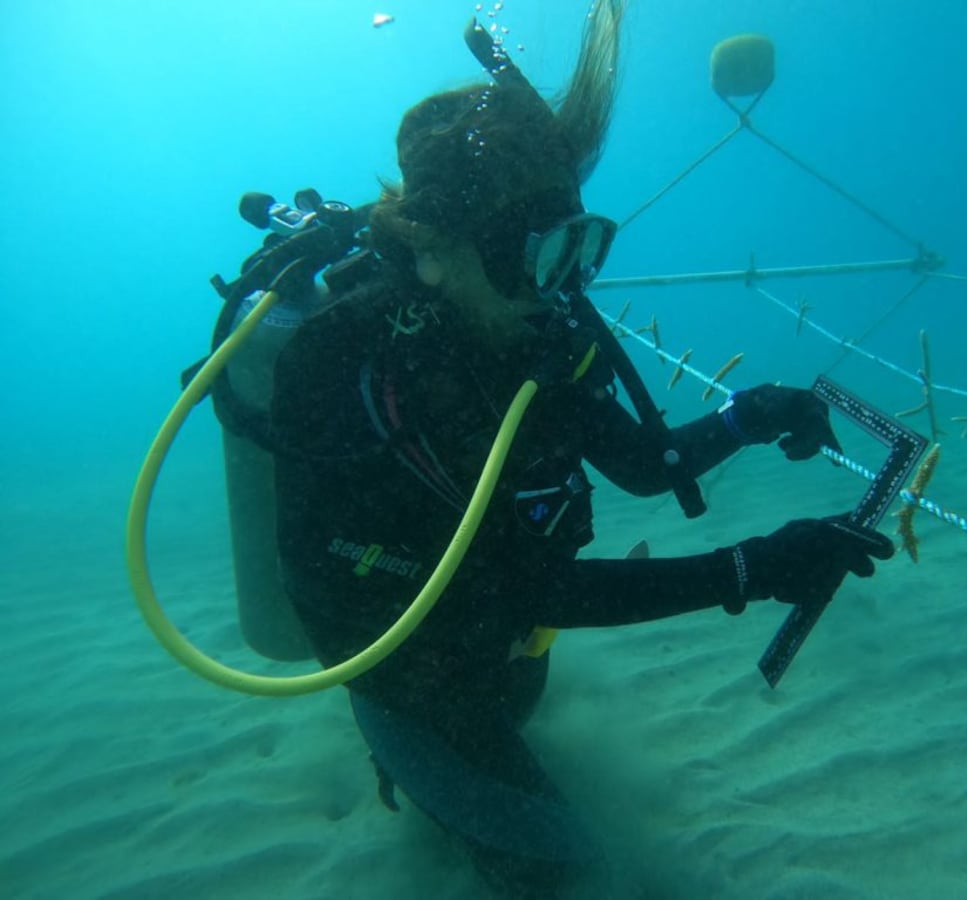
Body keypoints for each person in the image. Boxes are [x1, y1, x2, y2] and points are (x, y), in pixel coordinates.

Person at [268, 4, 894, 896]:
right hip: (411, 664)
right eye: (542, 256)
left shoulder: (540, 329)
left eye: (581, 246)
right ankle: (408, 766)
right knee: (562, 872)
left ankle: (449, 782)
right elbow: (510, 590)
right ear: (437, 250)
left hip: (512, 642)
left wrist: (752, 415)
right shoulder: (354, 378)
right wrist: (748, 569)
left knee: (516, 722)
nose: (567, 284)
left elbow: (643, 465)